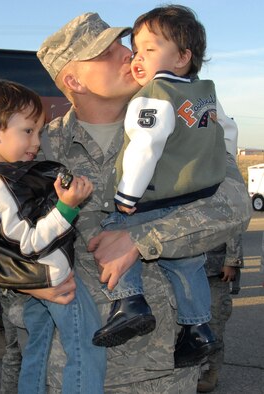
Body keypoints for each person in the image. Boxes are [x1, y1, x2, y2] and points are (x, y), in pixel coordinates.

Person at [7, 11, 250, 393]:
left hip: (160, 370)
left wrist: (140, 240)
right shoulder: (37, 149)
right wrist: (26, 279)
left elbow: (233, 207)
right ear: (73, 80)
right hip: (68, 366)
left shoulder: (182, 122)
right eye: (106, 52)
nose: (127, 55)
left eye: (126, 44)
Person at [91, 6, 223, 368]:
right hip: (195, 196)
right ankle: (198, 329)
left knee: (114, 229)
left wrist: (126, 196)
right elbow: (225, 132)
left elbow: (144, 149)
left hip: (153, 198)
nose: (137, 57)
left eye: (150, 49)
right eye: (137, 49)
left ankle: (130, 302)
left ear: (182, 57)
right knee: (188, 264)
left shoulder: (152, 95)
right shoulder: (204, 94)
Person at [0, 79, 105, 393]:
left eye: (38, 132)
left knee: (35, 352)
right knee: (85, 347)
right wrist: (66, 207)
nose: (36, 142)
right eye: (28, 131)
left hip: (33, 285)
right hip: (55, 278)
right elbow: (27, 242)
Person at [197, 235, 243, 392]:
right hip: (188, 267)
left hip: (216, 270)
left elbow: (232, 228)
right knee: (187, 323)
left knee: (214, 323)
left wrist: (231, 261)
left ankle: (212, 371)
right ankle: (190, 369)